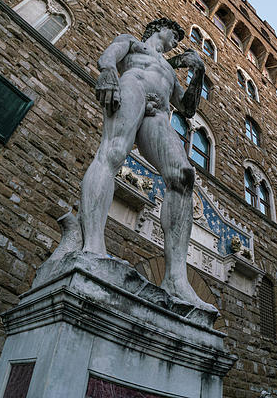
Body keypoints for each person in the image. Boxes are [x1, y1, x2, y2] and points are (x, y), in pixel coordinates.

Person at [79, 17, 207, 306]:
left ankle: (176, 279)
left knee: (183, 176)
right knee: (112, 152)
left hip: (160, 113)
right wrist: (109, 72)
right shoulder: (133, 42)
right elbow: (109, 55)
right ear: (159, 30)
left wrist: (198, 72)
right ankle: (92, 246)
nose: (176, 42)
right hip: (132, 86)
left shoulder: (170, 71)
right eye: (174, 34)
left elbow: (186, 108)